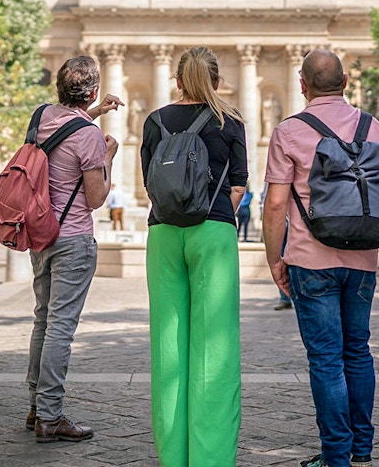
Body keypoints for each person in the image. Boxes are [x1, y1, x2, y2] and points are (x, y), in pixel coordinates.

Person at [262, 48, 379, 467]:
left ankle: (335, 455)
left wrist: (274, 257)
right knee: (358, 351)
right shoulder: (377, 129)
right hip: (363, 257)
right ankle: (362, 449)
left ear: (302, 85)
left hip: (309, 258)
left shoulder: (289, 132)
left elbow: (276, 204)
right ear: (346, 81)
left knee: (325, 359)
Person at [140, 46, 247, 467]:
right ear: (217, 81)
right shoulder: (231, 121)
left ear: (178, 81)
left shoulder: (155, 121)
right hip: (213, 231)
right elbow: (238, 185)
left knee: (168, 347)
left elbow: (149, 181)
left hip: (164, 233)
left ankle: (174, 458)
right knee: (214, 350)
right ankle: (211, 459)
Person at [26, 55, 121, 443]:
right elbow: (96, 198)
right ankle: (51, 416)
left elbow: (66, 133)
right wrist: (108, 157)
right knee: (61, 328)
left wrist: (94, 113)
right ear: (94, 90)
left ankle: (35, 407)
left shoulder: (41, 117)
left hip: (40, 232)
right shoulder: (90, 137)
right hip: (73, 238)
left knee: (42, 320)